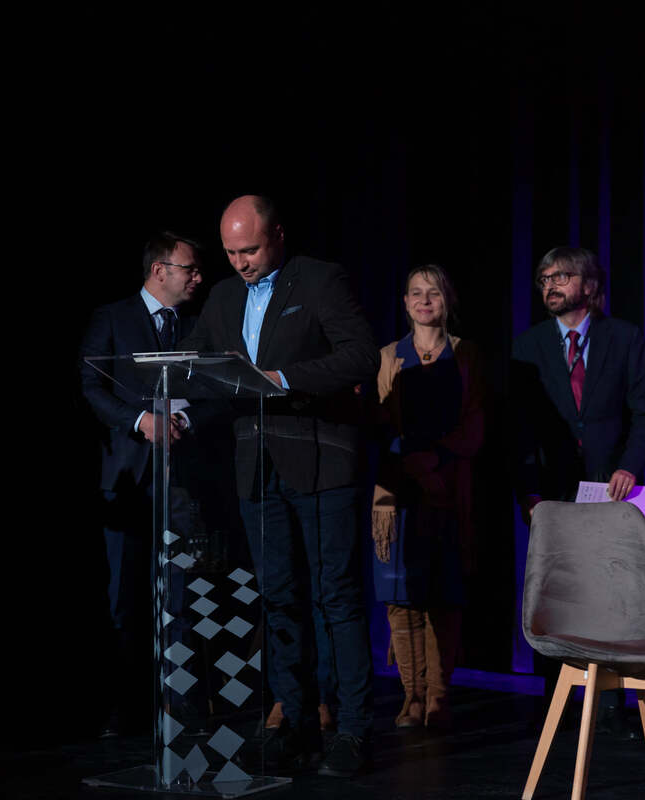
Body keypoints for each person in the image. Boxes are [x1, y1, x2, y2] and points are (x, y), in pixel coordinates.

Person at [179, 195, 379, 777]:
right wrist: (181, 407)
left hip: (321, 463)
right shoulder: (222, 297)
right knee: (278, 597)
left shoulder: (319, 280)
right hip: (256, 467)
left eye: (250, 250)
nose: (240, 263)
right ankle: (295, 721)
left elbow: (361, 357)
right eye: (230, 253)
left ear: (278, 236)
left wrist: (283, 378)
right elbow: (205, 371)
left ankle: (353, 728)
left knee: (335, 597)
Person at [511, 245, 645, 737]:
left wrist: (629, 466)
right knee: (554, 593)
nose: (550, 285)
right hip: (551, 491)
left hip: (609, 489)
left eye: (562, 276)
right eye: (544, 278)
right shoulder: (528, 346)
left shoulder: (624, 338)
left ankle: (612, 704)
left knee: (611, 595)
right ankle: (554, 700)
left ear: (590, 286)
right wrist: (529, 491)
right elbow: (520, 430)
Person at [78, 231, 204, 737]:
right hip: (128, 479)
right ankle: (126, 706)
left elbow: (214, 388)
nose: (198, 278)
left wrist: (184, 420)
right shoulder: (112, 317)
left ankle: (179, 706)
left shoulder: (197, 325)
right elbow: (91, 385)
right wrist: (141, 422)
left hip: (183, 481)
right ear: (159, 270)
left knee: (181, 595)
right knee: (124, 597)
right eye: (189, 269)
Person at [371, 265, 482, 731]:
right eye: (415, 293)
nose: (423, 300)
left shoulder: (466, 354)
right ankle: (411, 696)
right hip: (397, 492)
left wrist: (435, 459)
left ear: (447, 300)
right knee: (401, 597)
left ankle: (437, 696)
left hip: (447, 486)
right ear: (404, 302)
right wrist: (411, 464)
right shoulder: (388, 356)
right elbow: (378, 423)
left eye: (432, 292)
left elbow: (475, 423)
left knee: (443, 596)